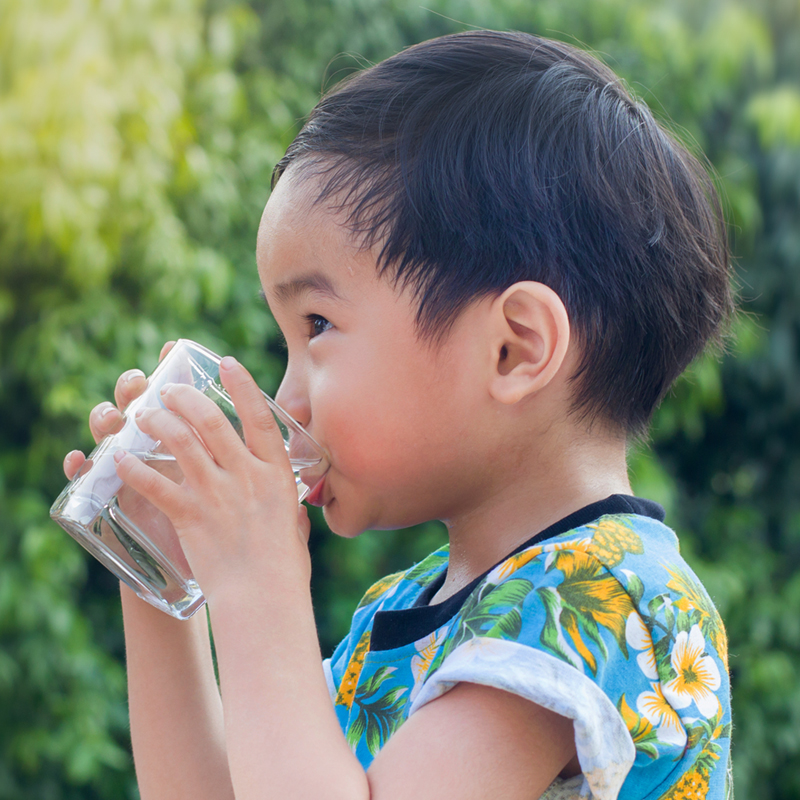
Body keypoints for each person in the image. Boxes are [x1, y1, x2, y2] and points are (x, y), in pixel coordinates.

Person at [63, 30, 733, 800]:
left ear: (513, 349)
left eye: (317, 326)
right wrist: (159, 567)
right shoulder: (402, 608)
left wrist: (260, 589)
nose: (287, 402)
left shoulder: (601, 602)